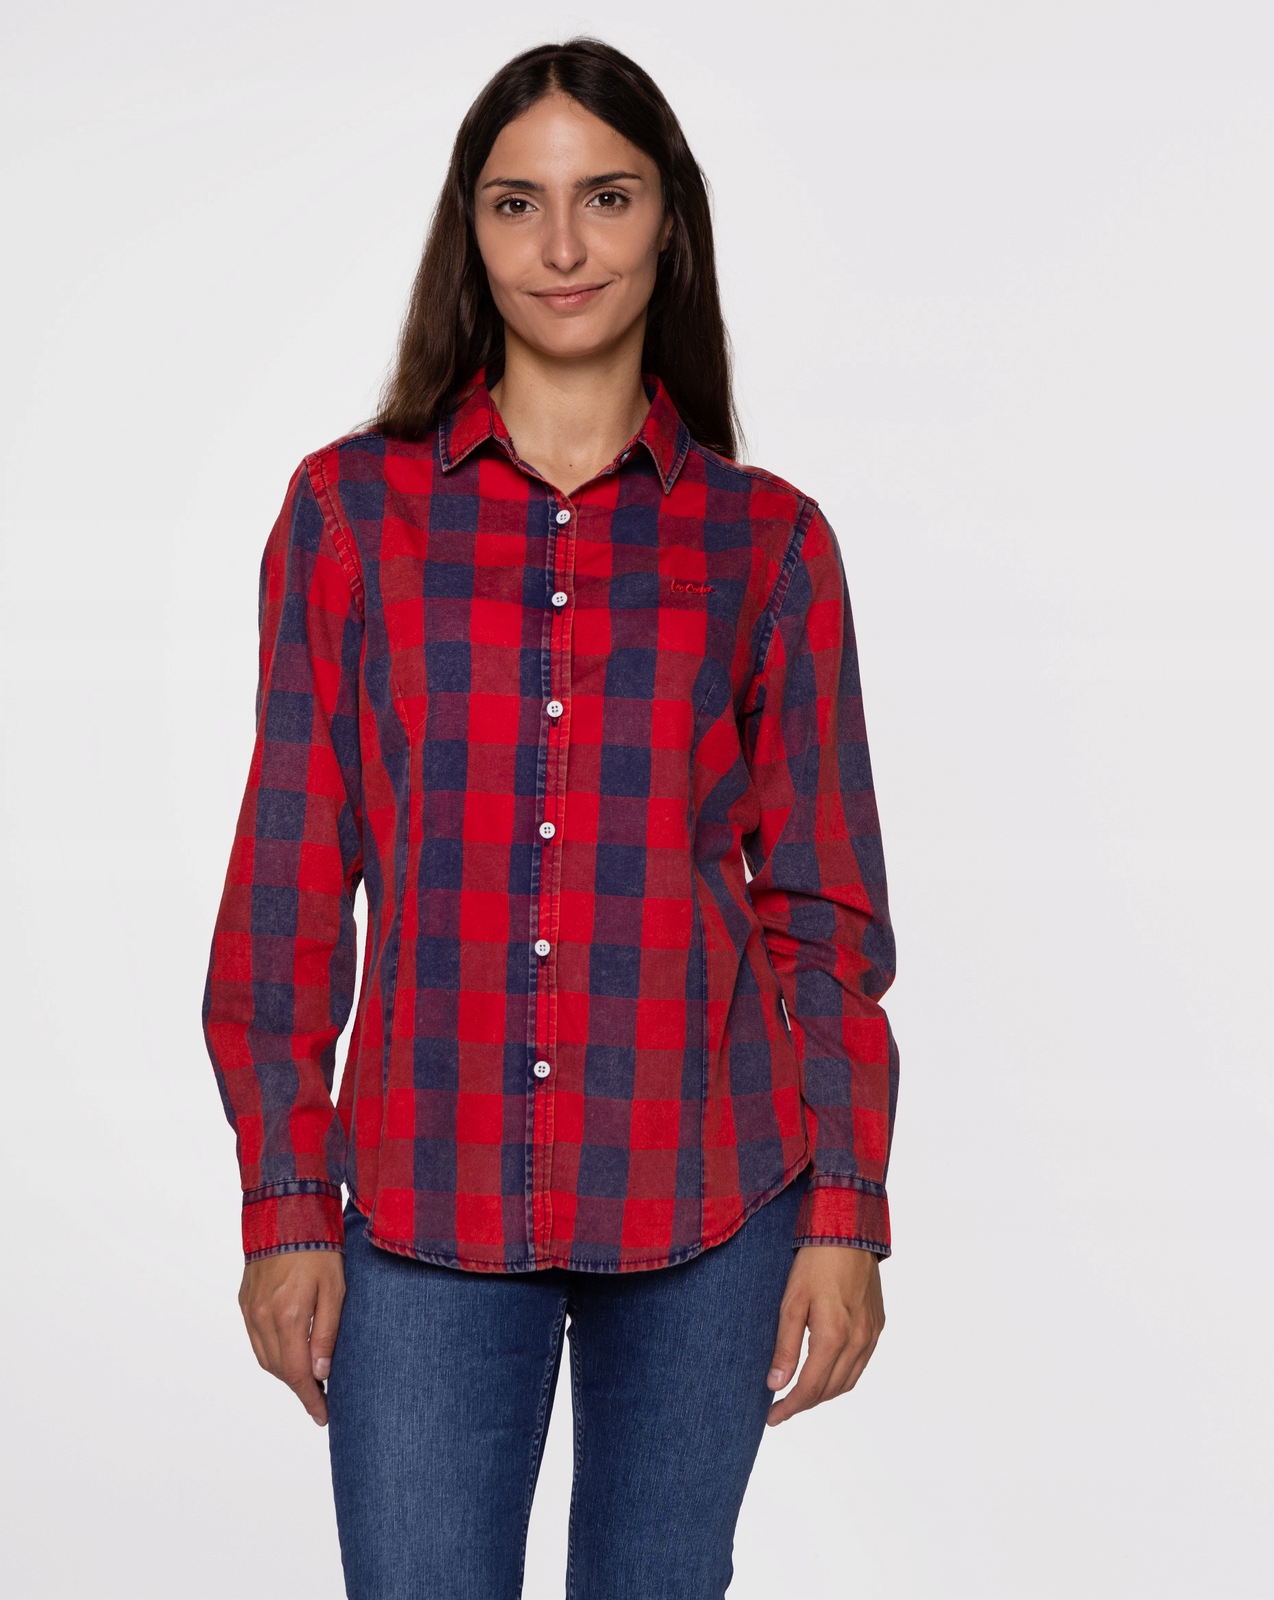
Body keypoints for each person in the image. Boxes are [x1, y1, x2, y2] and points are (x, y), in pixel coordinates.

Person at [203, 36, 898, 1600]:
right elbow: (290, 879)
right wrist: (284, 1198)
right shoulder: (348, 514)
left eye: (608, 198)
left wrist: (844, 1210)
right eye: (518, 203)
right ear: (471, 228)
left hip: (711, 1188)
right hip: (422, 1194)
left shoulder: (768, 543)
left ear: (669, 222)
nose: (564, 246)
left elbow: (819, 908)